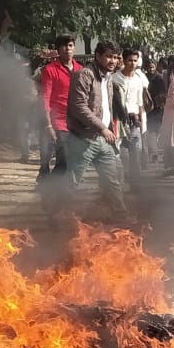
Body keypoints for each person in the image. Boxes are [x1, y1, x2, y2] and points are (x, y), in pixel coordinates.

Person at [64, 40, 127, 219]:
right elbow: (79, 107)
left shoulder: (108, 78)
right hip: (83, 139)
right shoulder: (85, 75)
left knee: (112, 181)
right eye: (108, 56)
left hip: (103, 138)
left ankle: (121, 216)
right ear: (97, 56)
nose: (112, 61)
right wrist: (102, 128)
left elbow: (106, 108)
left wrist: (110, 129)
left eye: (115, 57)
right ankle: (61, 217)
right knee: (72, 182)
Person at [38, 35, 80, 180]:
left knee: (72, 159)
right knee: (64, 159)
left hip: (76, 121)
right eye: (63, 46)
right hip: (58, 120)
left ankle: (51, 184)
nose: (67, 49)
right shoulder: (50, 70)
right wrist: (48, 124)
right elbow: (45, 97)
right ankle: (51, 186)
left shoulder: (80, 69)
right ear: (58, 49)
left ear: (74, 48)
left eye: (70, 45)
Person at [111, 47, 149, 190]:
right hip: (118, 121)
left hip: (135, 122)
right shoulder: (114, 79)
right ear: (124, 60)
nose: (133, 64)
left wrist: (142, 125)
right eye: (130, 60)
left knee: (136, 154)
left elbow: (140, 103)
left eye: (135, 60)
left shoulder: (138, 80)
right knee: (121, 155)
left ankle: (136, 185)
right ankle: (119, 184)